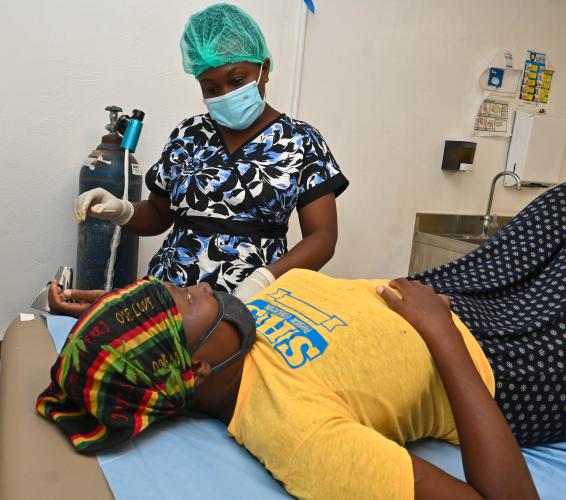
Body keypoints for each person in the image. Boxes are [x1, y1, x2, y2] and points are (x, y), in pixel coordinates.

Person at [73, 3, 349, 301]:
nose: (225, 94)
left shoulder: (301, 140)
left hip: (252, 301)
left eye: (237, 80)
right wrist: (123, 210)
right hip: (169, 295)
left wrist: (265, 279)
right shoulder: (188, 135)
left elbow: (322, 238)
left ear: (264, 70)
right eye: (211, 88)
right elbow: (158, 214)